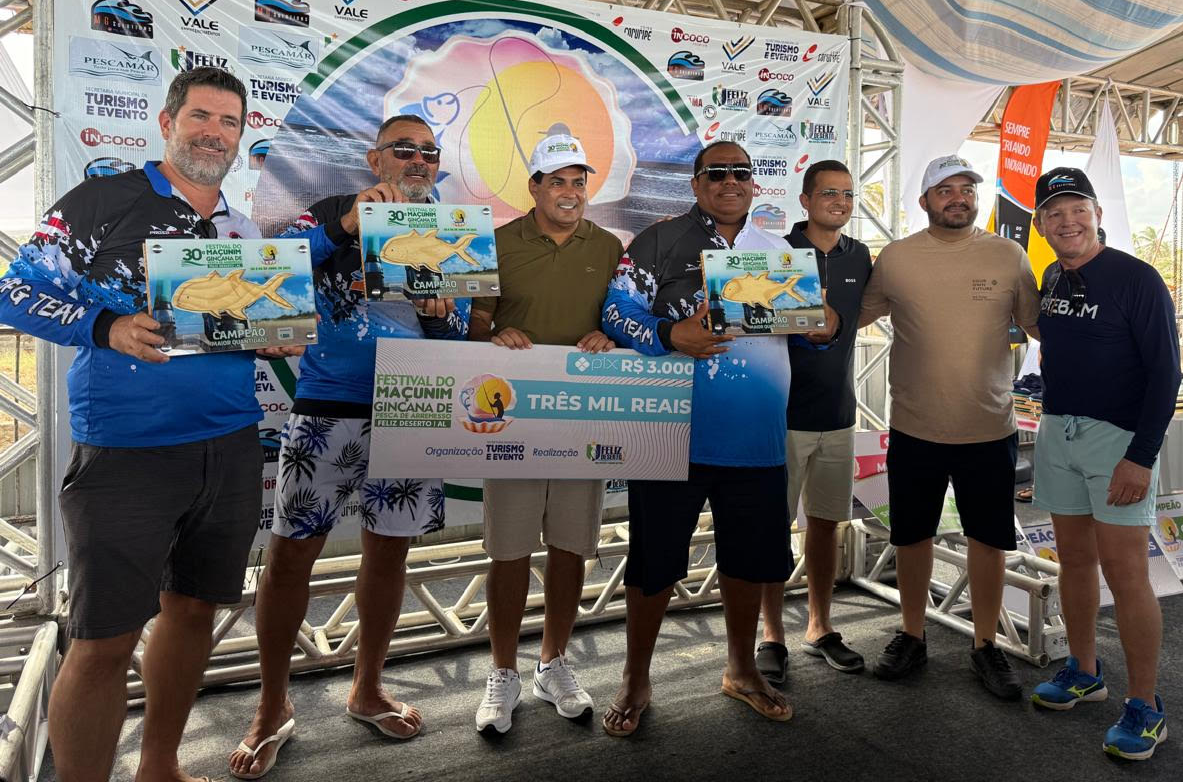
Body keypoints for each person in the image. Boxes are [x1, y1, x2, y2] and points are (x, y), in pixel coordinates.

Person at [0, 68, 299, 782]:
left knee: (194, 612)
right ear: (168, 122)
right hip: (127, 455)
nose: (214, 133)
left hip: (228, 446)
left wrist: (275, 335)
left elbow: (234, 324)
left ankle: (159, 765)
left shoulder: (239, 228)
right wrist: (104, 325)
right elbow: (15, 293)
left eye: (229, 122)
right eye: (200, 116)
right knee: (102, 640)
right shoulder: (106, 199)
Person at [228, 114, 468, 778]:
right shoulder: (331, 213)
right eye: (405, 150)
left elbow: (463, 332)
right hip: (327, 410)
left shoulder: (450, 232)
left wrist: (443, 314)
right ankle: (270, 707)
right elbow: (267, 272)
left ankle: (366, 689)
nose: (418, 160)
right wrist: (344, 229)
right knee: (288, 559)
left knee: (388, 554)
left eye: (429, 152)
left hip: (413, 406)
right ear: (374, 157)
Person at [599, 140, 838, 735]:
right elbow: (614, 310)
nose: (731, 182)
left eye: (742, 173)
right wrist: (667, 333)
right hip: (669, 435)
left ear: (755, 184)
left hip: (755, 439)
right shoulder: (657, 241)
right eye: (717, 173)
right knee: (653, 566)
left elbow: (813, 327)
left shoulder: (778, 251)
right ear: (696, 182)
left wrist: (824, 324)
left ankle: (740, 669)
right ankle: (635, 678)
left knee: (749, 562)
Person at [858, 154, 1040, 699]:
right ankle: (912, 635)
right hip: (915, 428)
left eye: (966, 188)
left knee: (989, 540)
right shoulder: (895, 258)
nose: (957, 197)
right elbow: (848, 317)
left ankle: (986, 645)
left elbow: (1039, 324)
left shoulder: (1008, 255)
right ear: (925, 201)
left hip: (990, 427)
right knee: (912, 536)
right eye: (945, 189)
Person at [465, 133, 623, 735]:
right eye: (556, 180)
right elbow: (473, 319)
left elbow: (621, 315)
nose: (569, 191)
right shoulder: (496, 241)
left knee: (569, 546)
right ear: (533, 186)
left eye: (578, 180)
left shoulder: (609, 246)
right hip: (513, 418)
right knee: (508, 550)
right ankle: (501, 672)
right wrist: (491, 331)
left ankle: (552, 662)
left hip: (584, 415)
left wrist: (610, 335)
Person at [1027, 167, 1179, 761]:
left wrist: (1140, 457)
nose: (1068, 221)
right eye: (1055, 212)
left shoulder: (1136, 278)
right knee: (1073, 562)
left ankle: (1146, 705)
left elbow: (1165, 373)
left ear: (1096, 214)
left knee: (1126, 573)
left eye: (1078, 209)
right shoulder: (1050, 277)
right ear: (1041, 224)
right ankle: (1084, 671)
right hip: (1057, 432)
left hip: (1117, 441)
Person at [756, 160, 872, 683]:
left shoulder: (861, 256)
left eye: (847, 194)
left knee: (825, 526)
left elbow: (854, 317)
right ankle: (771, 634)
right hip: (781, 417)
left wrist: (837, 321)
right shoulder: (773, 254)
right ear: (804, 199)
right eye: (829, 193)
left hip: (838, 417)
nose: (840, 203)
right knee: (770, 530)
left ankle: (820, 627)